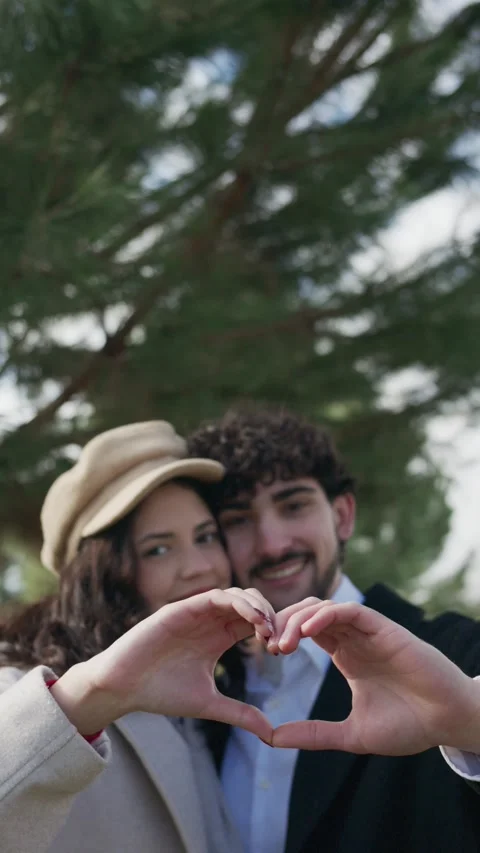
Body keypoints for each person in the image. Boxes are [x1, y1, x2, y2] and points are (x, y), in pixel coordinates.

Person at [188, 406, 480, 853]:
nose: (273, 544)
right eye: (238, 519)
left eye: (294, 505)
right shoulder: (206, 702)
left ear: (342, 515)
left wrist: (470, 723)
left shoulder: (457, 652)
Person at [0, 420, 276, 853]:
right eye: (158, 549)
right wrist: (82, 703)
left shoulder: (208, 702)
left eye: (205, 537)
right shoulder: (23, 687)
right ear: (99, 576)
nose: (200, 566)